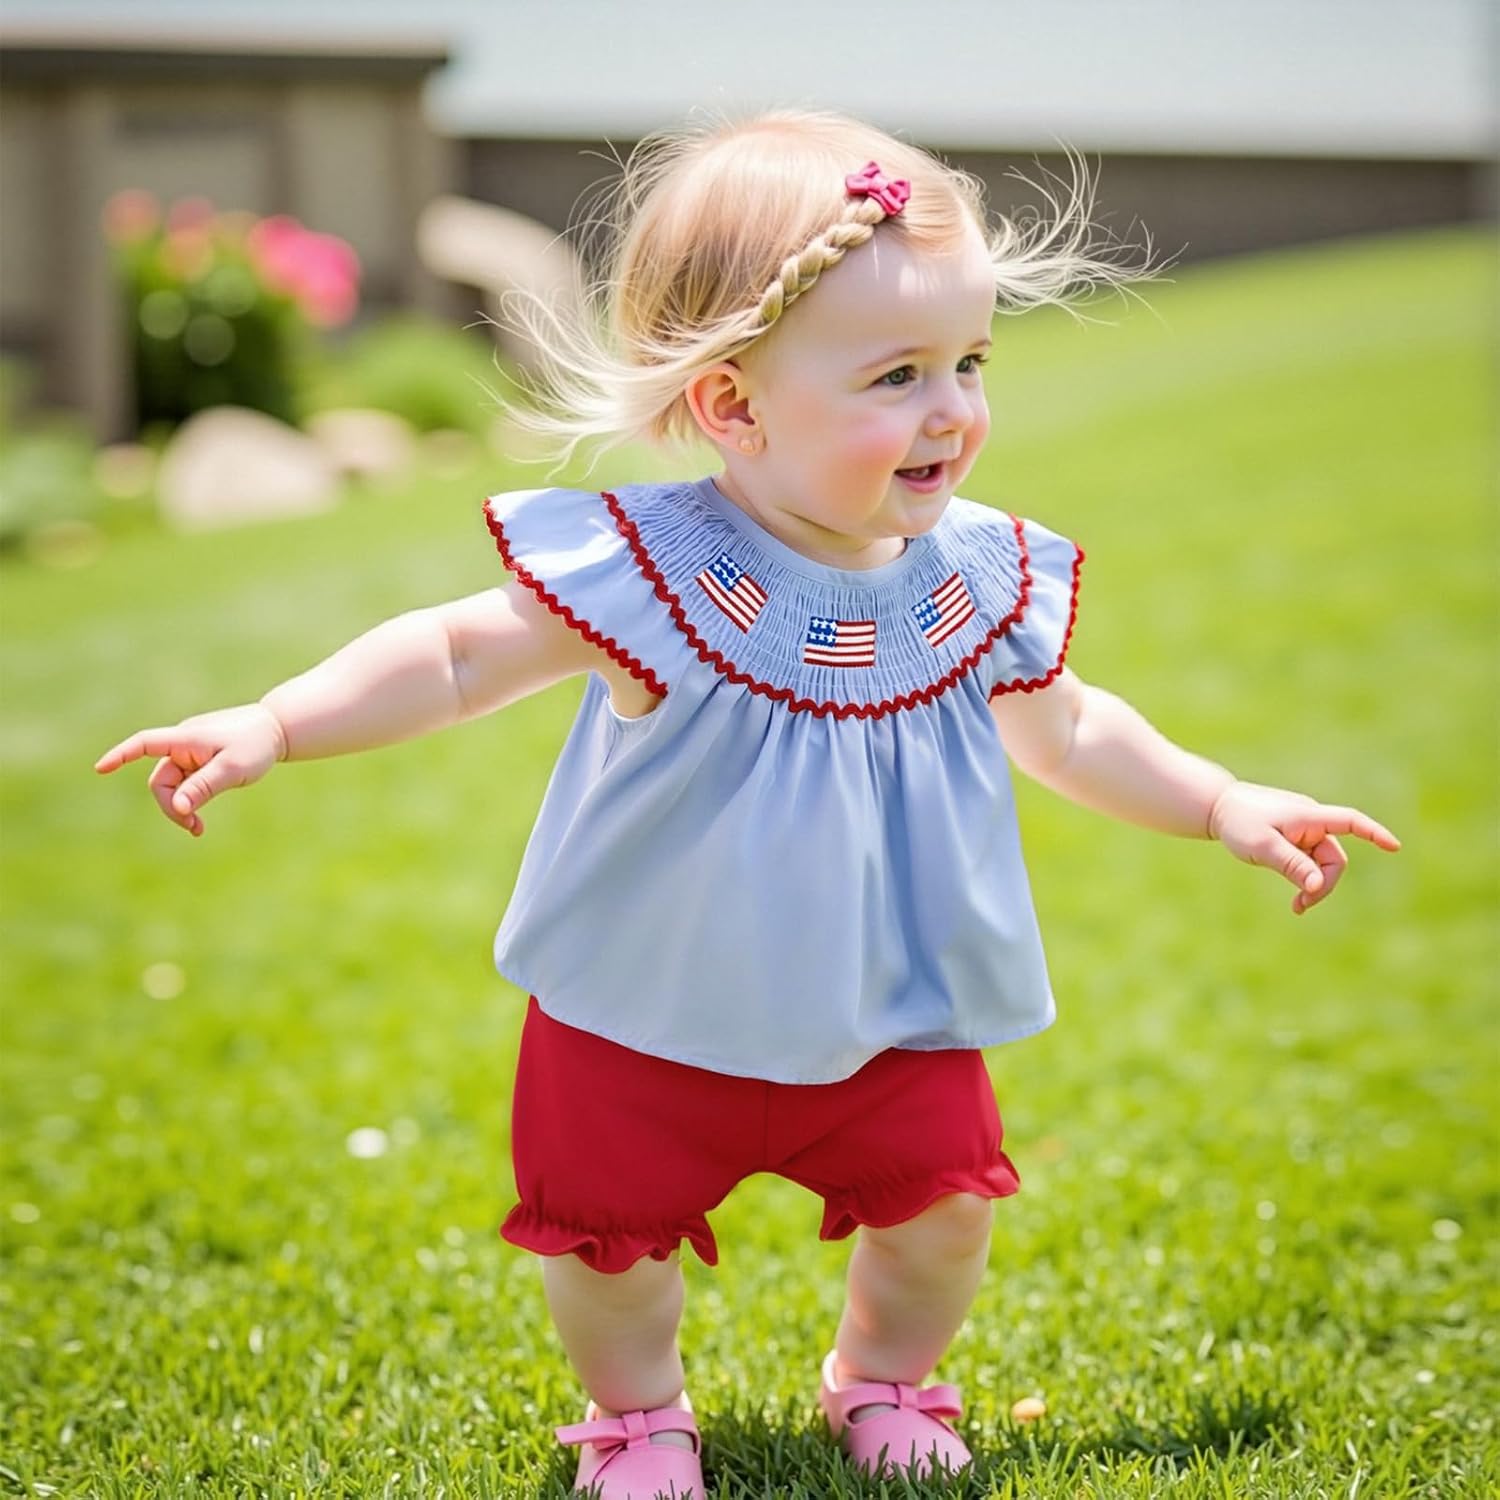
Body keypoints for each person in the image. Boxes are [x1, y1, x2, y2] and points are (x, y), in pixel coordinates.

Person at [95, 110, 1400, 1496]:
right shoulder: (655, 572)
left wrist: (1220, 802)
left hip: (889, 1003)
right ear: (731, 405)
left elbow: (1068, 729)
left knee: (947, 1216)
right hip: (647, 1014)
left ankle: (887, 1382)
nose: (952, 408)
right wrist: (277, 721)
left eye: (969, 363)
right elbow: (459, 654)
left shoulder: (968, 577)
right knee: (612, 1249)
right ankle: (639, 1420)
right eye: (897, 375)